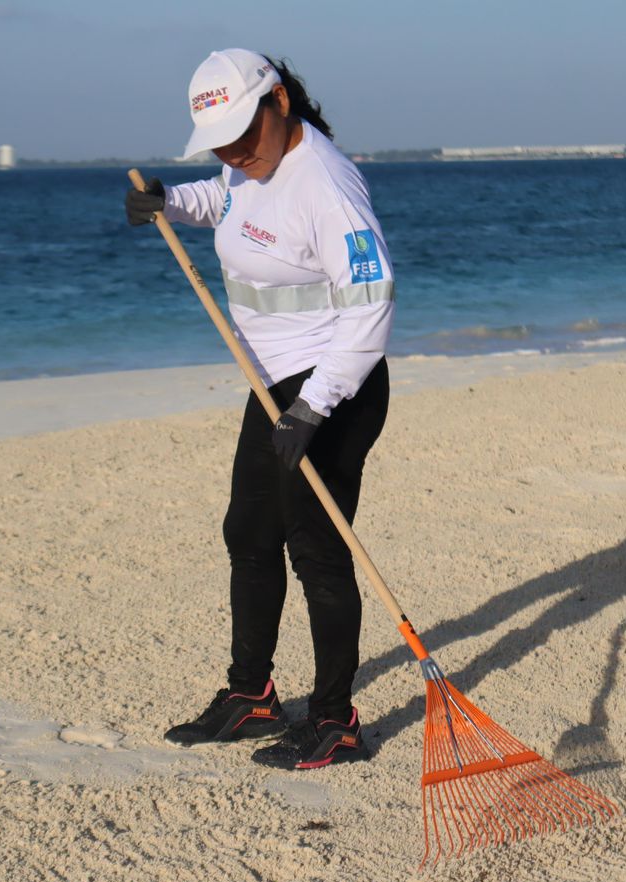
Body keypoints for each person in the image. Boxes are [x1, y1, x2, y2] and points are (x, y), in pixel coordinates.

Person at [125, 48, 395, 770]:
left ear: (279, 101)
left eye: (245, 136)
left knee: (317, 549)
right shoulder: (245, 165)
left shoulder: (326, 184)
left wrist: (314, 407)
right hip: (270, 379)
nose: (237, 155)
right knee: (248, 530)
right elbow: (227, 201)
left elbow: (371, 304)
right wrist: (169, 202)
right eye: (222, 146)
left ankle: (336, 720)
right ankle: (252, 697)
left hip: (334, 385)